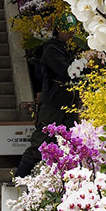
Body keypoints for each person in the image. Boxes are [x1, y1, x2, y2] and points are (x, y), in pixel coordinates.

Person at [15, 13, 80, 178]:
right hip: (53, 105)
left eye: (73, 30)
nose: (71, 33)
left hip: (67, 106)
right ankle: (18, 179)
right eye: (68, 30)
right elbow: (67, 72)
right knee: (40, 144)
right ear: (59, 29)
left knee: (69, 145)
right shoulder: (52, 49)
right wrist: (84, 64)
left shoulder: (64, 49)